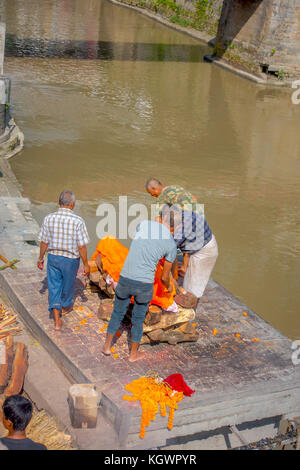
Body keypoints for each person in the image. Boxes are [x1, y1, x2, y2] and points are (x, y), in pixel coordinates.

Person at [102, 219, 177, 362]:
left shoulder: (144, 224)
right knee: (138, 319)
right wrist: (170, 287)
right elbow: (164, 277)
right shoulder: (171, 245)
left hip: (125, 278)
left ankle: (106, 347)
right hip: (144, 284)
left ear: (161, 219)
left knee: (117, 313)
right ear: (176, 227)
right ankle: (133, 355)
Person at [37, 190, 90, 331]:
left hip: (53, 258)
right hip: (71, 260)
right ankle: (65, 306)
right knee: (68, 285)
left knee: (54, 286)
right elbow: (82, 246)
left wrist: (41, 258)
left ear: (58, 203)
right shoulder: (78, 221)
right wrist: (86, 264)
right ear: (72, 204)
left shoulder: (48, 218)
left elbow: (44, 241)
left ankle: (56, 319)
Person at [162, 204, 218, 299]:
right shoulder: (180, 215)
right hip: (201, 244)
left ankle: (191, 307)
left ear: (177, 226)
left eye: (170, 228)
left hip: (204, 253)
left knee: (193, 288)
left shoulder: (181, 230)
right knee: (187, 282)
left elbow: (168, 249)